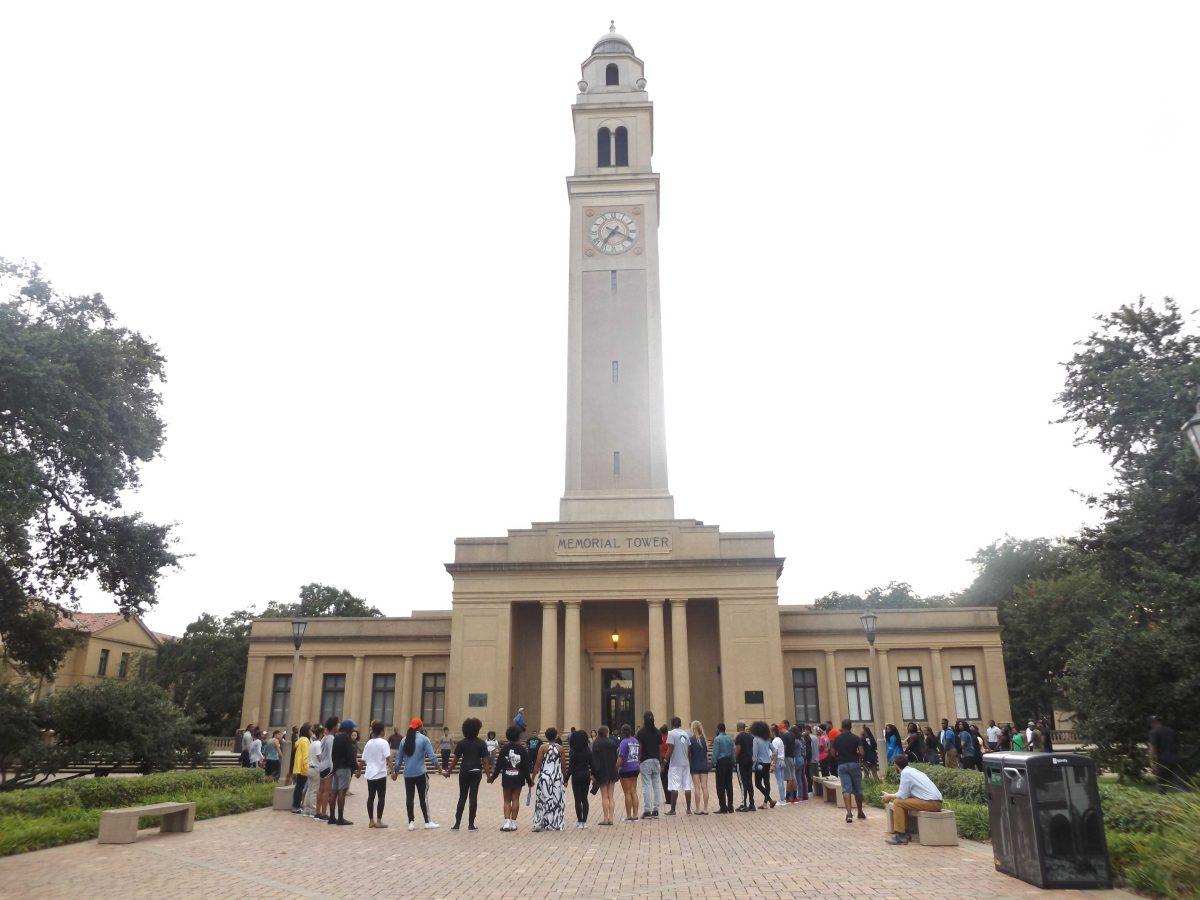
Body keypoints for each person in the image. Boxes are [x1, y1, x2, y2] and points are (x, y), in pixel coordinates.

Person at [441, 716, 490, 831]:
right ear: (477, 729)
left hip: (464, 771)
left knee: (462, 796)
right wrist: (488, 776)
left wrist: (448, 771)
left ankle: (457, 823)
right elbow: (485, 761)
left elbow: (455, 759)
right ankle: (471, 824)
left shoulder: (462, 743)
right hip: (476, 771)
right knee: (473, 797)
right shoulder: (481, 743)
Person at [881, 756, 943, 844]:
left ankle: (901, 836)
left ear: (896, 765)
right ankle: (905, 833)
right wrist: (891, 796)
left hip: (932, 803)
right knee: (901, 802)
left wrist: (889, 796)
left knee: (897, 803)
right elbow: (906, 794)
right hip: (935, 802)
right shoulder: (911, 771)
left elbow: (901, 795)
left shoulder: (905, 773)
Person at [393, 717, 440, 830]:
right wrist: (439, 768)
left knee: (409, 798)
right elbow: (432, 756)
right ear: (420, 727)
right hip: (420, 773)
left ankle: (411, 822)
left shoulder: (404, 740)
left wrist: (395, 772)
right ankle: (427, 822)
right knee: (423, 798)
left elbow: (398, 759)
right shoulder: (424, 739)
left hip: (408, 774)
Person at [489, 724, 531, 831]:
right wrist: (529, 780)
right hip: (518, 776)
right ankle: (513, 822)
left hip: (507, 776)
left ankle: (507, 822)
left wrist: (493, 777)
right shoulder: (522, 750)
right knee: (515, 798)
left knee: (507, 800)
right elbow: (526, 767)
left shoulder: (504, 749)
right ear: (518, 736)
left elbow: (498, 765)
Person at [531, 726, 565, 832]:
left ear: (546, 736)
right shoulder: (560, 748)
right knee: (556, 800)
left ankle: (539, 822)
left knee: (542, 799)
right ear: (556, 736)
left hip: (545, 776)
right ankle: (555, 823)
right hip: (557, 777)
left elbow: (537, 764)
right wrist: (566, 778)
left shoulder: (543, 747)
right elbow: (563, 765)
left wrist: (532, 777)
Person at [832, 718, 866, 823]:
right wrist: (857, 756)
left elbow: (832, 753)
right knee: (858, 789)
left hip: (842, 764)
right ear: (851, 726)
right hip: (854, 763)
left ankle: (849, 813)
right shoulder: (856, 738)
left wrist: (839, 757)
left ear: (842, 727)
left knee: (846, 789)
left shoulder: (837, 739)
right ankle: (860, 811)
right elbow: (862, 752)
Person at [327, 719, 359, 826]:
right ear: (349, 729)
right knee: (342, 792)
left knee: (334, 792)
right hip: (344, 768)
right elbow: (350, 755)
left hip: (336, 768)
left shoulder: (336, 737)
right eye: (352, 728)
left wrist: (334, 766)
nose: (353, 730)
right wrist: (355, 768)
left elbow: (333, 753)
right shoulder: (347, 738)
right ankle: (340, 818)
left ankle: (332, 817)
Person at [362, 722, 392, 828]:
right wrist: (392, 771)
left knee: (371, 797)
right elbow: (388, 758)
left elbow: (363, 759)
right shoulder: (384, 743)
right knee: (381, 797)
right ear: (381, 731)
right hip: (380, 773)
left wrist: (358, 771)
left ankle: (371, 820)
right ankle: (379, 820)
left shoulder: (369, 743)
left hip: (370, 774)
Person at [636, 712, 662, 819]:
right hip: (656, 760)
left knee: (646, 785)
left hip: (645, 760)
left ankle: (647, 810)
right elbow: (660, 747)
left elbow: (639, 747)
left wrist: (638, 760)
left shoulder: (641, 732)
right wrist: (660, 760)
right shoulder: (657, 732)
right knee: (656, 785)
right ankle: (656, 810)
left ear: (644, 720)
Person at [591, 725, 619, 825]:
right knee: (611, 796)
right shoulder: (612, 743)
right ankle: (611, 818)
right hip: (612, 771)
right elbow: (616, 758)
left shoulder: (596, 743)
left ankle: (605, 819)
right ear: (607, 733)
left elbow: (594, 760)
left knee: (604, 796)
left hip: (602, 771)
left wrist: (593, 774)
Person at [665, 717, 693, 815]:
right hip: (686, 763)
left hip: (676, 764)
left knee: (674, 786)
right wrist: (688, 761)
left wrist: (665, 760)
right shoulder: (685, 734)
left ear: (672, 724)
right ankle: (688, 809)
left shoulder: (671, 733)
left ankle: (673, 810)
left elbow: (670, 747)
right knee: (687, 786)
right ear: (680, 724)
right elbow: (689, 750)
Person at [1148, 716, 1183, 792]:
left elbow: (1152, 748)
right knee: (1179, 783)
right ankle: (1186, 798)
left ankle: (1161, 799)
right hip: (1175, 759)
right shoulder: (1171, 731)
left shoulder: (1154, 732)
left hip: (1163, 760)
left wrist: (1151, 762)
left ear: (1153, 723)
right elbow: (1178, 745)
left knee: (1161, 784)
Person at [567, 726, 593, 828]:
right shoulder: (588, 751)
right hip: (586, 775)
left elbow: (571, 767)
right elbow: (592, 765)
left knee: (577, 799)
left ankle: (579, 821)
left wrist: (566, 779)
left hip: (576, 775)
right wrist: (594, 775)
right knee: (585, 799)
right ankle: (584, 822)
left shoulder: (572, 751)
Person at [615, 723, 641, 822]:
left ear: (622, 732)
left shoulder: (624, 742)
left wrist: (615, 768)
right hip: (635, 767)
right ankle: (635, 815)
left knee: (627, 793)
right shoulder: (635, 741)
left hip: (626, 769)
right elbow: (638, 754)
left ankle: (629, 816)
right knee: (634, 791)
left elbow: (621, 757)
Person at [316, 715, 339, 820]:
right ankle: (324, 813)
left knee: (320, 790)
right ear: (334, 726)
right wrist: (332, 768)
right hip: (328, 766)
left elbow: (320, 753)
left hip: (321, 765)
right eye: (337, 724)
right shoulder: (331, 739)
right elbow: (331, 754)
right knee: (327, 791)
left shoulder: (324, 738)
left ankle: (317, 812)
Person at [750, 720, 774, 809]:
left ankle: (769, 801)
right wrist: (772, 760)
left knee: (757, 784)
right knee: (766, 782)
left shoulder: (756, 739)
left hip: (759, 764)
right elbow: (774, 750)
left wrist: (753, 766)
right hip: (767, 763)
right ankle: (767, 802)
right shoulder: (767, 740)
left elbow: (755, 755)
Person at [688, 720, 710, 814]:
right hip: (704, 764)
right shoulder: (704, 739)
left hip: (695, 765)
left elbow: (689, 753)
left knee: (697, 787)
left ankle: (697, 808)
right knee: (704, 787)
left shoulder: (691, 740)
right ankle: (705, 808)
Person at [711, 722, 735, 813]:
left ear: (718, 729)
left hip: (721, 763)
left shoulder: (717, 739)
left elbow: (715, 754)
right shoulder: (730, 738)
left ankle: (723, 807)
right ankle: (730, 806)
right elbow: (733, 751)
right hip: (729, 762)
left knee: (720, 785)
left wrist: (713, 763)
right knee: (729, 784)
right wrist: (733, 762)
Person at [733, 720, 755, 812]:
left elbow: (738, 749)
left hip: (741, 761)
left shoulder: (739, 737)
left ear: (738, 727)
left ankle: (743, 804)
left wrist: (735, 758)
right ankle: (752, 804)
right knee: (749, 781)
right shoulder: (751, 736)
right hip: (749, 761)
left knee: (742, 782)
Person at [302, 724, 323, 816]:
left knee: (309, 790)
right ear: (321, 734)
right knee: (314, 791)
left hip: (309, 768)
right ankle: (313, 810)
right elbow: (319, 757)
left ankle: (306, 810)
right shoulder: (318, 744)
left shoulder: (312, 743)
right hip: (315, 769)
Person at [289, 723, 311, 813]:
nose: (311, 732)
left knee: (299, 787)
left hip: (299, 767)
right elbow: (305, 756)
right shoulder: (305, 740)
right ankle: (296, 806)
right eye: (310, 730)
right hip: (303, 768)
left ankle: (296, 805)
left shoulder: (300, 739)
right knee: (301, 788)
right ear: (307, 731)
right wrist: (307, 768)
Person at [770, 724, 788, 806]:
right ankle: (783, 798)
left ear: (773, 732)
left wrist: (773, 764)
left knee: (779, 781)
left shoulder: (775, 741)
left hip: (777, 761)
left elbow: (775, 753)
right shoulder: (780, 740)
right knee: (781, 780)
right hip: (782, 760)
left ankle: (782, 799)